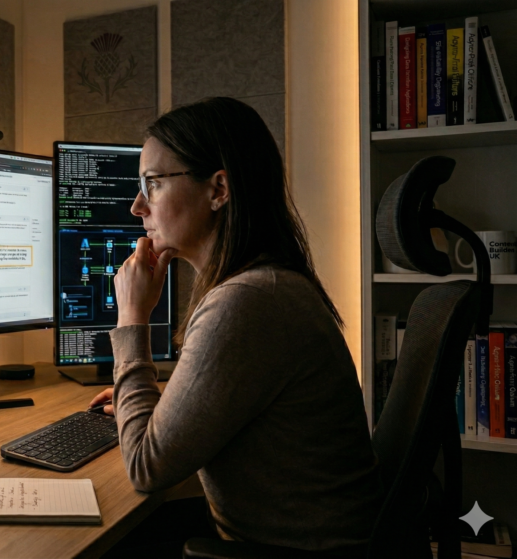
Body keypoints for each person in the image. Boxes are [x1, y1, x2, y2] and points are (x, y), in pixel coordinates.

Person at [90, 97, 380, 557]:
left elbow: (147, 466)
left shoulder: (245, 303)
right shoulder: (266, 283)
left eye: (153, 183)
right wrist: (170, 408)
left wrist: (132, 317)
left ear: (218, 189)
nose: (136, 206)